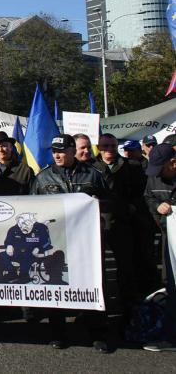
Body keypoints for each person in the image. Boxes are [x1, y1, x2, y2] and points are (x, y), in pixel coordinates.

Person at [30, 134, 111, 353]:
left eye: (62, 150)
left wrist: (98, 204)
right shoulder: (43, 178)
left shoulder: (93, 175)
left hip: (87, 242)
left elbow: (111, 202)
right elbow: (32, 208)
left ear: (72, 150)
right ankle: (58, 332)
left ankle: (98, 333)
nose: (57, 154)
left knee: (92, 284)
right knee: (56, 283)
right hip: (57, 242)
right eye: (54, 151)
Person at [93, 133, 160, 313]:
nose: (109, 150)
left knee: (125, 265)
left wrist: (131, 207)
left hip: (122, 222)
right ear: (99, 147)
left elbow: (141, 194)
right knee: (96, 268)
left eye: (112, 146)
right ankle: (99, 305)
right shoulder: (90, 168)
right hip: (96, 224)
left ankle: (128, 304)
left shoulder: (132, 166)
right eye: (105, 146)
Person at [141, 143, 176, 351]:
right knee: (172, 286)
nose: (157, 174)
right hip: (169, 240)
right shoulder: (153, 177)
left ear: (173, 163)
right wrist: (157, 207)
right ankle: (172, 338)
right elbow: (148, 197)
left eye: (161, 168)